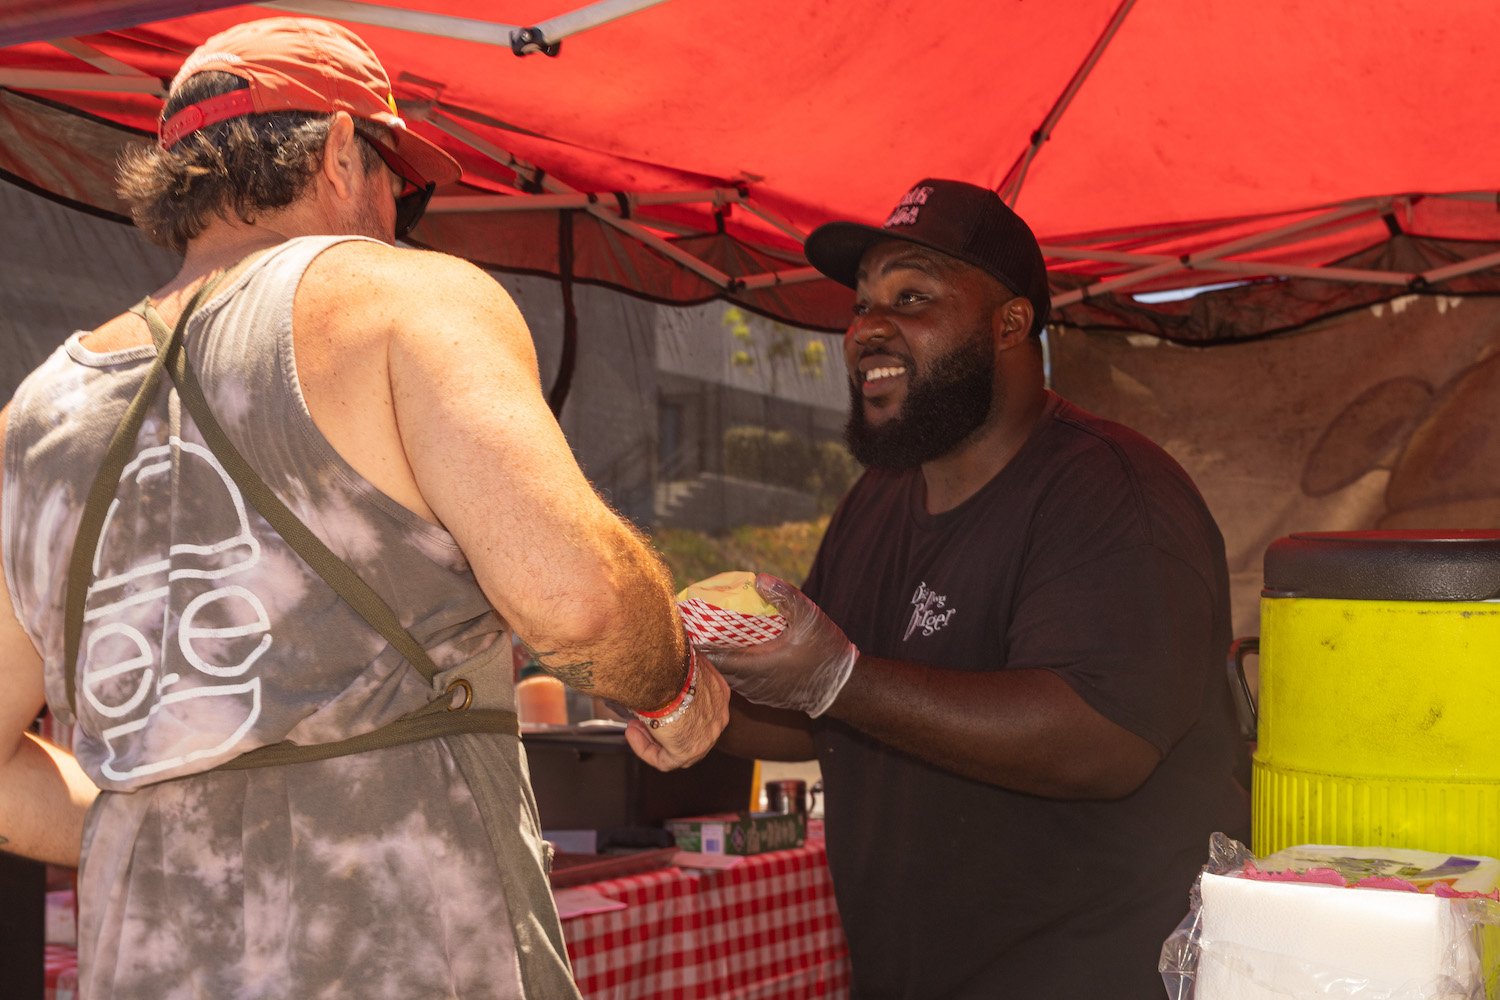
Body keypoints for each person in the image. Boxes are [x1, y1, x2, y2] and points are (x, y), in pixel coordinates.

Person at [0, 17, 727, 999]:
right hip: (410, 951)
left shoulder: (37, 415)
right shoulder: (400, 302)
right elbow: (581, 602)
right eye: (398, 178)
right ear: (342, 150)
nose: (397, 209)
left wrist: (179, 827)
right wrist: (674, 690)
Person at [712, 179, 1250, 999]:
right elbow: (821, 715)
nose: (868, 329)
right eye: (861, 306)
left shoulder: (1111, 492)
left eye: (911, 296)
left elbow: (1101, 742)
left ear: (1010, 323)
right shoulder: (876, 501)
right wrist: (668, 689)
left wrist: (839, 676)